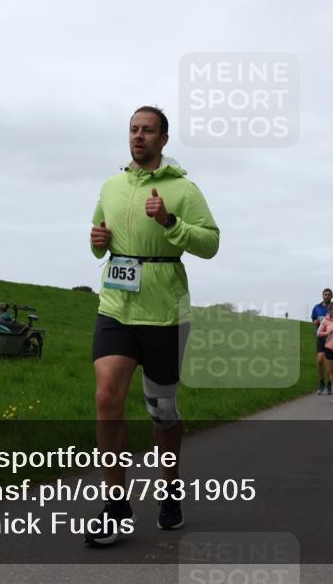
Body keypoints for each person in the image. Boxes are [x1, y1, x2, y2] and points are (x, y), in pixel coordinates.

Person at [86, 105, 219, 546]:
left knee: (161, 411)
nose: (138, 136)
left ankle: (170, 488)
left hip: (164, 310)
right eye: (133, 129)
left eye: (148, 131)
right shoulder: (111, 185)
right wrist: (96, 242)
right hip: (116, 307)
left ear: (163, 140)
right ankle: (116, 506)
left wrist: (170, 222)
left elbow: (211, 243)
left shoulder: (183, 188)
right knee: (107, 396)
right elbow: (96, 236)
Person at [310, 288, 333, 395]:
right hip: (320, 338)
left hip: (331, 339)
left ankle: (329, 384)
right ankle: (321, 383)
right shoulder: (316, 308)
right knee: (320, 360)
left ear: (331, 296)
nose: (327, 296)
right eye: (325, 294)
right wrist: (315, 321)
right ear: (322, 296)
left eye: (329, 294)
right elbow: (314, 319)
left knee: (329, 363)